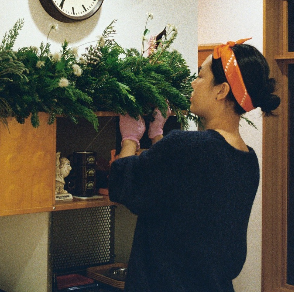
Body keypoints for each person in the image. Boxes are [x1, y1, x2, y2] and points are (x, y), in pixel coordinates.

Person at [108, 39, 280, 292]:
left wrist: (130, 139)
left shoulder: (188, 147)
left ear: (221, 91)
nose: (193, 83)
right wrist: (157, 135)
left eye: (200, 76)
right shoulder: (247, 159)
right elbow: (172, 186)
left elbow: (122, 183)